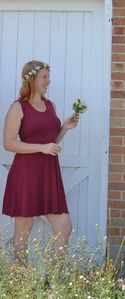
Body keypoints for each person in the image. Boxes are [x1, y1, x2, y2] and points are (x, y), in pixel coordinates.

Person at [2, 60, 79, 266]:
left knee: (64, 227)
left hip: (48, 173)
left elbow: (50, 141)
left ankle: (52, 279)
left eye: (48, 77)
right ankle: (22, 279)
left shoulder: (50, 105)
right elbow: (8, 144)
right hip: (26, 173)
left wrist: (65, 128)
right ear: (32, 79)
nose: (48, 81)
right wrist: (41, 148)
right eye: (44, 77)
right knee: (23, 228)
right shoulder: (18, 107)